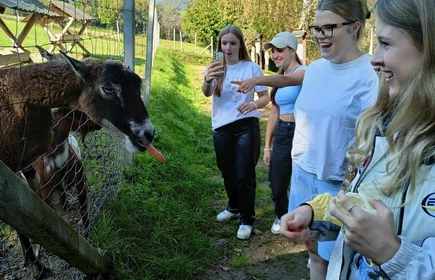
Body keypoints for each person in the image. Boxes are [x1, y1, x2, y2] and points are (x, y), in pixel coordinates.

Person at [280, 0, 435, 279]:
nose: (376, 59)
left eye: (386, 44)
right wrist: (316, 213)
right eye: (316, 28)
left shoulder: (374, 89)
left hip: (330, 176)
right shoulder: (392, 128)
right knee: (315, 254)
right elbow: (368, 201)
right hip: (305, 171)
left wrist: (391, 254)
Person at [232, 0, 378, 278]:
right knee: (311, 250)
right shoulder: (316, 70)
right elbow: (290, 94)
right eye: (317, 28)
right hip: (302, 173)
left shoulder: (370, 73)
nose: (320, 35)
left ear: (355, 28)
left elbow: (375, 138)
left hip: (335, 183)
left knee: (334, 256)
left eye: (329, 28)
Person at [201, 24, 269, 240]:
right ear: (220, 45)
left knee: (244, 173)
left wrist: (254, 106)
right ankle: (234, 207)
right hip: (221, 127)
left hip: (246, 125)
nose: (228, 47)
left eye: (232, 43)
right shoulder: (215, 67)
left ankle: (247, 217)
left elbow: (265, 97)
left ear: (240, 45)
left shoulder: (251, 68)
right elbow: (206, 93)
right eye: (224, 43)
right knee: (227, 171)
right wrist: (207, 79)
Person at [261, 31, 307, 235]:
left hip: (301, 134)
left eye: (279, 50)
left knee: (301, 182)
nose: (275, 55)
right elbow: (274, 112)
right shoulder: (280, 77)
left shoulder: (305, 73)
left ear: (292, 51)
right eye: (273, 52)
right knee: (277, 182)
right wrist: (267, 146)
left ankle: (303, 220)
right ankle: (281, 214)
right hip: (281, 132)